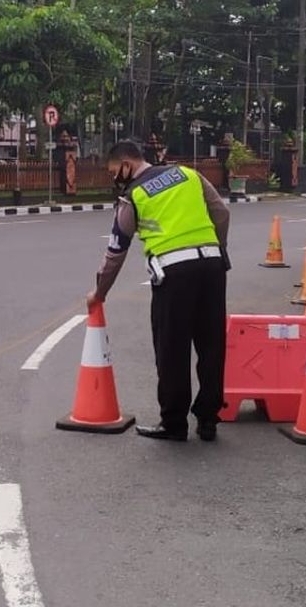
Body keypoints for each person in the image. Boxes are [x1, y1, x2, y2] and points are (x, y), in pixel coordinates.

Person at [87, 140, 231, 442]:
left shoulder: (133, 196)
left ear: (127, 165)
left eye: (115, 172)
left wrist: (99, 293)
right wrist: (218, 248)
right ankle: (208, 420)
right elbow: (221, 213)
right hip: (212, 267)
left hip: (175, 274)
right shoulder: (189, 174)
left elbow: (116, 251)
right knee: (211, 345)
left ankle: (174, 423)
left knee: (171, 350)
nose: (115, 178)